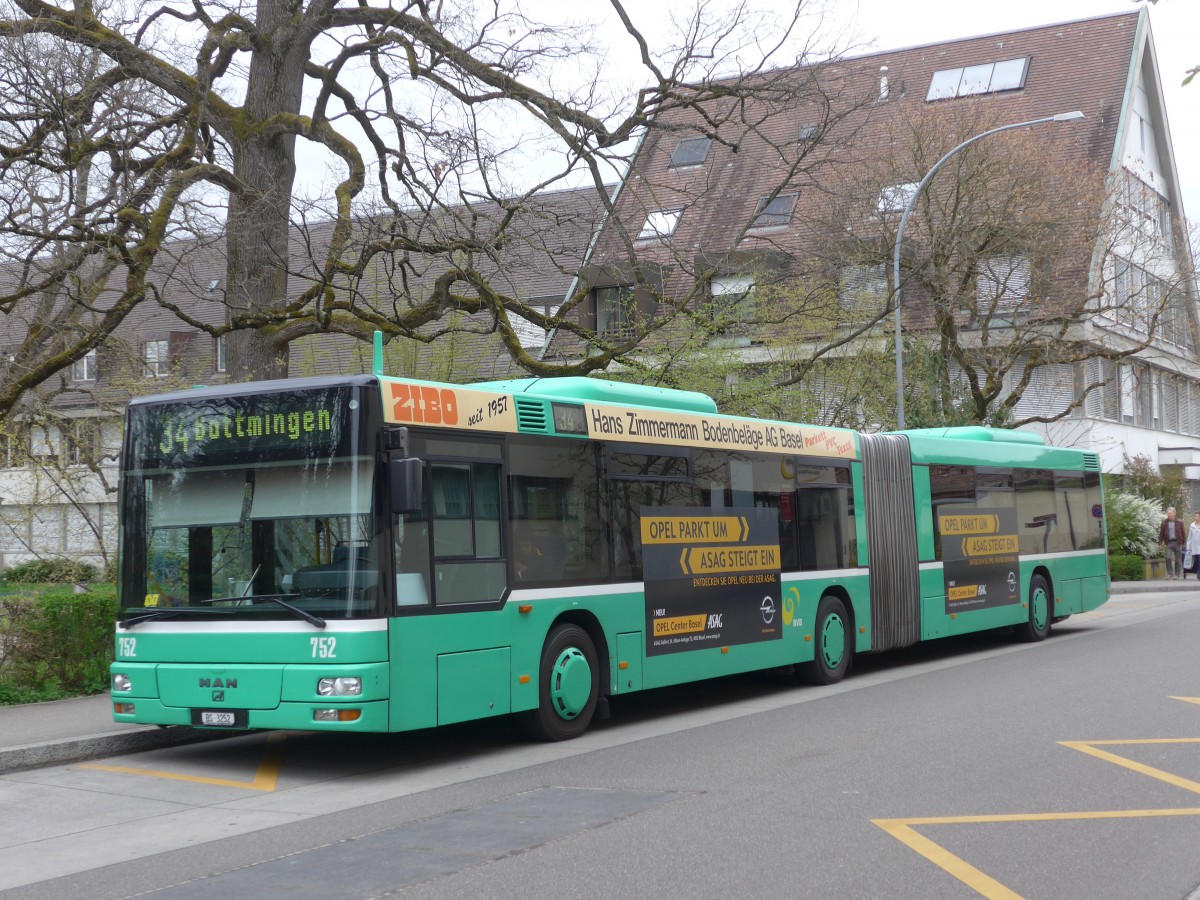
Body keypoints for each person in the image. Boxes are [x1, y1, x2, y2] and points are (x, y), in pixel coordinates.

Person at [1159, 507, 1186, 579]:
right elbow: (1161, 534)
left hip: (1178, 542)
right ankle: (1169, 573)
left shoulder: (1179, 522)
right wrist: (1160, 543)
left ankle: (1177, 574)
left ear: (1174, 513)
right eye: (1168, 513)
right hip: (1169, 543)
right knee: (1168, 557)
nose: (1169, 515)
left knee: (1178, 560)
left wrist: (1184, 544)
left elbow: (1183, 533)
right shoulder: (1164, 523)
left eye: (1171, 513)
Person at [1185, 511, 1200, 580]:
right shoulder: (1192, 525)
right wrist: (1188, 547)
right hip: (1194, 546)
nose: (1196, 517)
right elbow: (1190, 537)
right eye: (1195, 516)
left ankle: (1199, 573)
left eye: (1197, 516)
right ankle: (1198, 572)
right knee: (1196, 560)